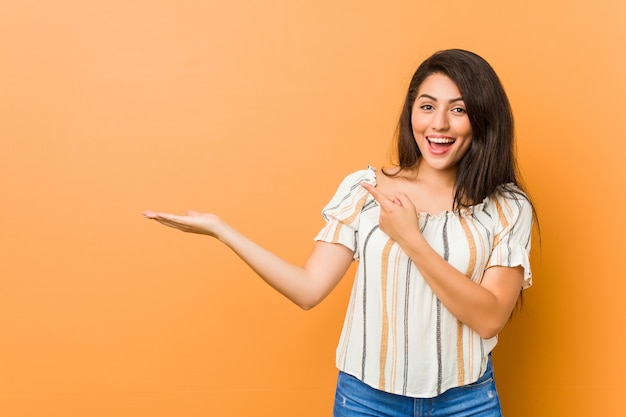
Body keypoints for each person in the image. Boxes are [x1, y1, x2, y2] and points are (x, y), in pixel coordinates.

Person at [143, 49, 536, 417]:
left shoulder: (506, 206)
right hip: (367, 401)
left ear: (483, 118)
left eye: (459, 110)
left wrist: (411, 240)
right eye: (428, 106)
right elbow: (308, 288)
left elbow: (488, 318)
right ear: (411, 112)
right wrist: (222, 231)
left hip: (465, 401)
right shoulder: (366, 190)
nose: (439, 124)